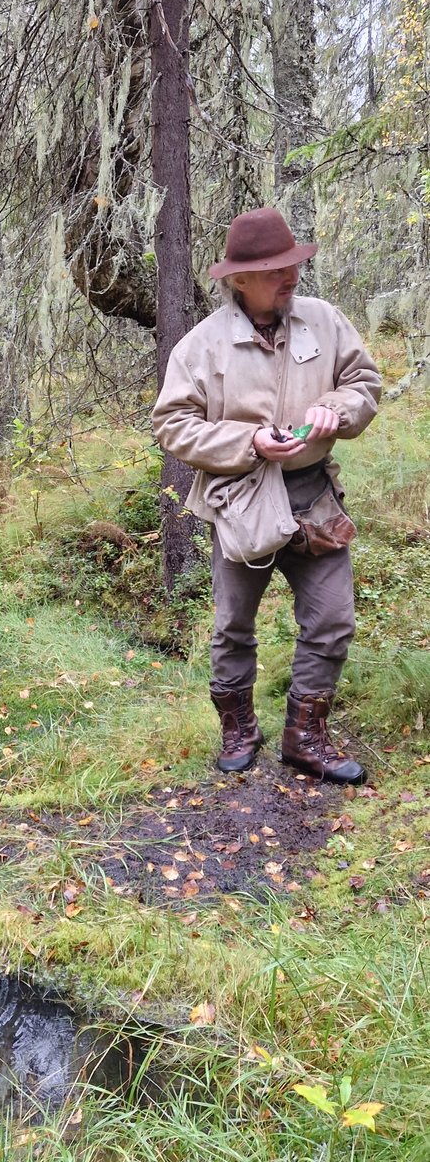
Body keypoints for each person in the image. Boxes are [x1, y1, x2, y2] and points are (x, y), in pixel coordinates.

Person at [153, 207, 381, 784]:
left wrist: (342, 408)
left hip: (313, 495)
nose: (291, 277)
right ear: (238, 280)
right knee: (233, 624)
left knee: (332, 620)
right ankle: (240, 728)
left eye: (293, 265)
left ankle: (305, 737)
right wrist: (249, 439)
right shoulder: (201, 346)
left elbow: (363, 382)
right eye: (277, 269)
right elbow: (173, 424)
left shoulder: (325, 322)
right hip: (243, 498)